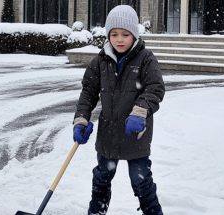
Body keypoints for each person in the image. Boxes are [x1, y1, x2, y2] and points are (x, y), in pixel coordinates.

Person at [73, 5, 165, 215]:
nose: (119, 39)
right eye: (114, 34)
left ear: (134, 34)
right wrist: (81, 120)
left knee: (140, 180)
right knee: (101, 178)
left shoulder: (145, 59)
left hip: (136, 133)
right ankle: (96, 212)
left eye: (125, 34)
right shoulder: (99, 61)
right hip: (109, 133)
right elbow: (88, 94)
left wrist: (140, 111)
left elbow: (155, 89)